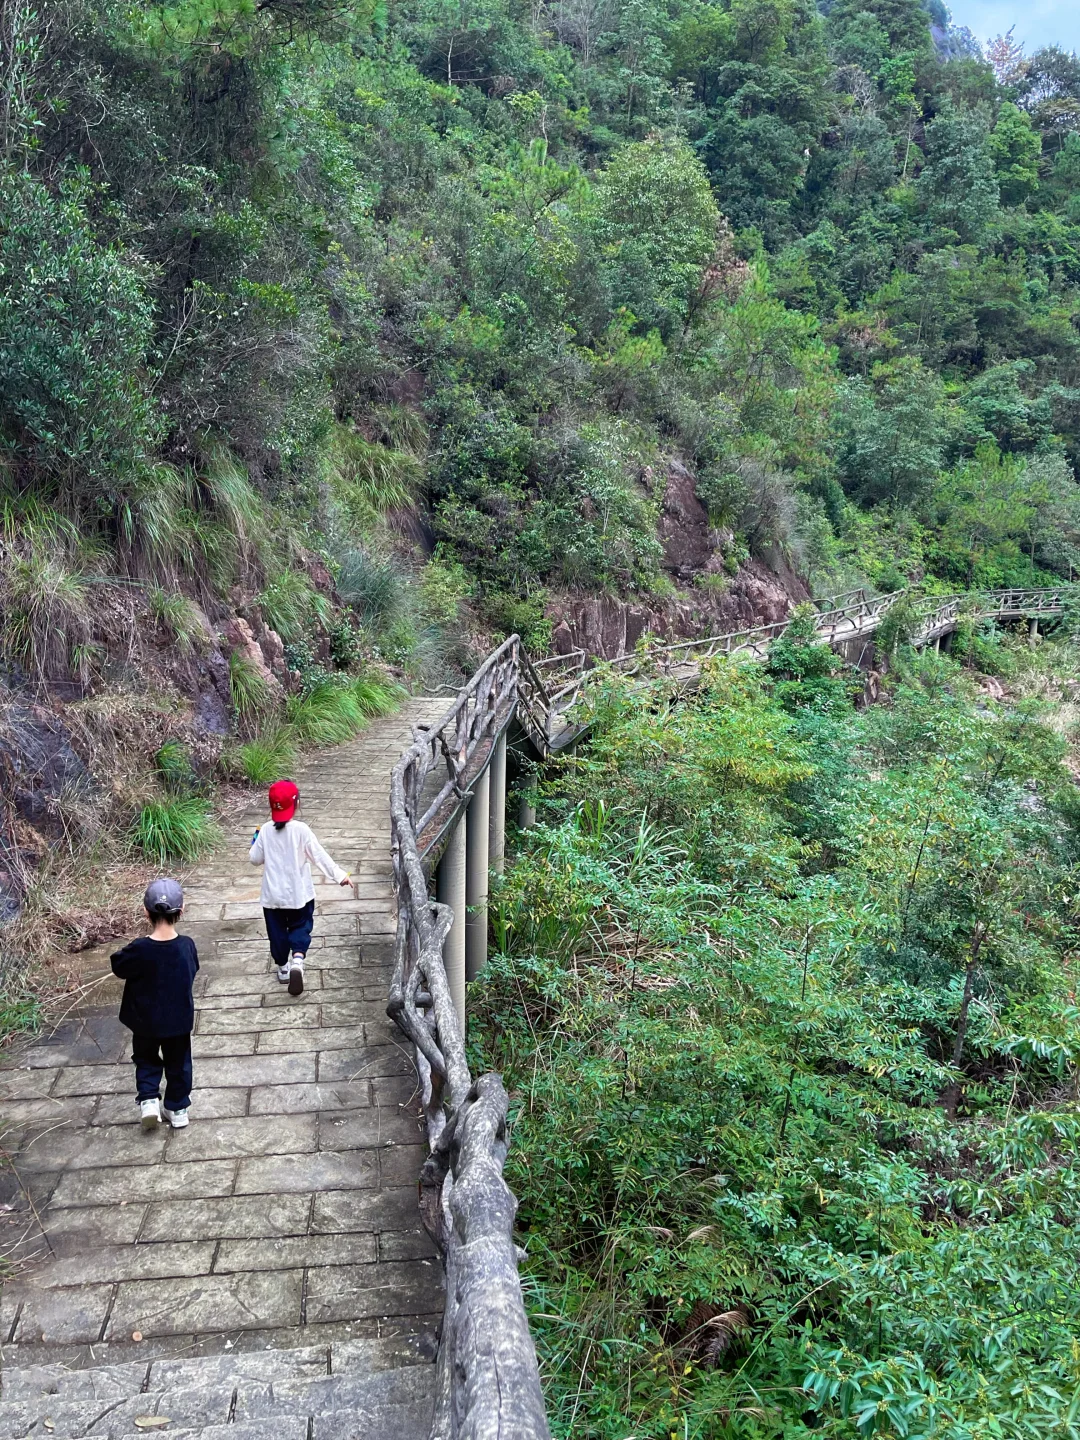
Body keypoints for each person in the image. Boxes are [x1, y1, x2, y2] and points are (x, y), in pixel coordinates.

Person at [111, 877, 199, 1131]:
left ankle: (149, 1100)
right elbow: (193, 969)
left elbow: (118, 966)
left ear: (145, 912)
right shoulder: (186, 946)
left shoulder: (140, 948)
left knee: (146, 1058)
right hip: (178, 1021)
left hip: (145, 1021)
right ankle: (177, 1108)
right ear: (181, 911)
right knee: (179, 1063)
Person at [250, 778, 351, 997]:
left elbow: (255, 859)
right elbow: (319, 856)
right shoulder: (301, 830)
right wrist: (339, 875)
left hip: (272, 898)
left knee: (276, 934)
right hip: (299, 895)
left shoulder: (265, 830)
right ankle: (297, 959)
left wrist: (255, 839)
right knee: (301, 927)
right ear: (296, 804)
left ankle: (283, 968)